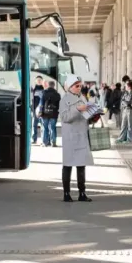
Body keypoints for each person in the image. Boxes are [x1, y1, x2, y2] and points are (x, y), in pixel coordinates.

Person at [59, 74, 94, 202]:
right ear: (70, 87)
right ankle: (66, 193)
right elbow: (65, 117)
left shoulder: (82, 98)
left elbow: (86, 116)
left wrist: (93, 114)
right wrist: (77, 109)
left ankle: (82, 193)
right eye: (76, 86)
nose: (79, 88)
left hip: (81, 136)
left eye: (80, 86)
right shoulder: (64, 100)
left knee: (81, 165)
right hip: (70, 137)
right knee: (68, 165)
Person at [41, 81, 60, 147]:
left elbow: (41, 104)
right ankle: (53, 142)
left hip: (45, 113)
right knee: (53, 128)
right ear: (54, 86)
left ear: (48, 85)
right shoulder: (57, 94)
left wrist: (41, 112)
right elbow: (59, 105)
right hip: (54, 114)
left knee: (45, 128)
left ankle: (45, 142)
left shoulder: (44, 93)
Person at [31, 76, 45, 144]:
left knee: (43, 126)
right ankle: (34, 139)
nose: (39, 81)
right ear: (35, 81)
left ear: (42, 81)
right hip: (34, 110)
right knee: (34, 125)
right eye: (37, 80)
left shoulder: (44, 90)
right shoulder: (33, 90)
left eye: (40, 80)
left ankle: (43, 140)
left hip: (42, 110)